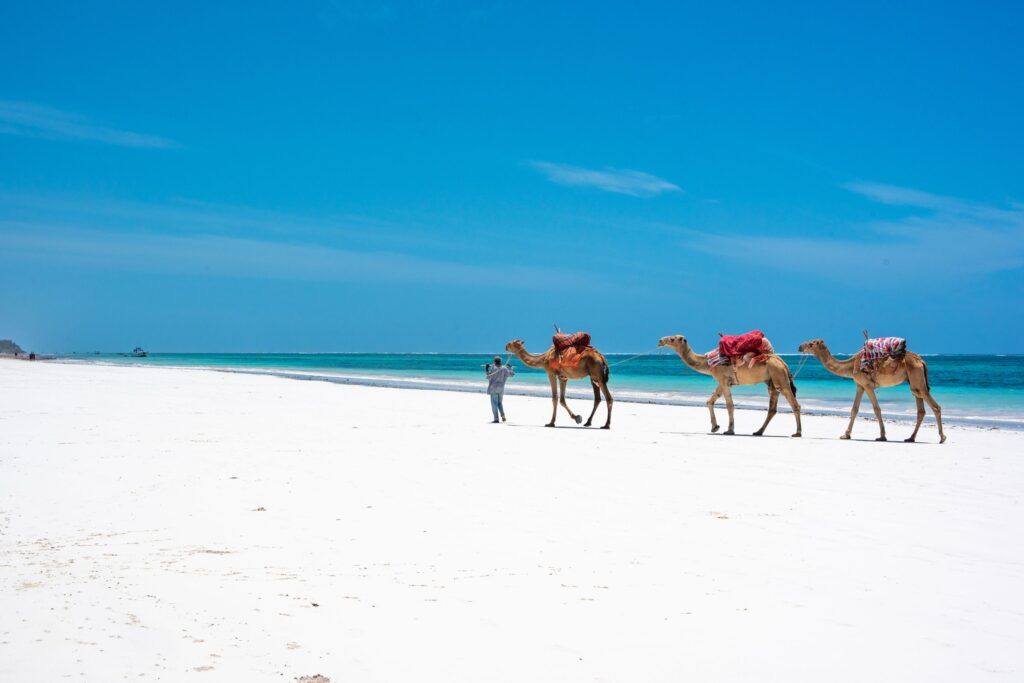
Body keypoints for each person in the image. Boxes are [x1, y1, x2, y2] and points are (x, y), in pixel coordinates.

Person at [485, 355, 515, 423]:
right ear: (500, 361)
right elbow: (512, 374)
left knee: (494, 404)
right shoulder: (504, 368)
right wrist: (511, 368)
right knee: (499, 403)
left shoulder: (493, 368)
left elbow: (488, 377)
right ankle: (503, 415)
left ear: (494, 361)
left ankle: (496, 419)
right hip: (501, 389)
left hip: (493, 388)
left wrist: (486, 368)